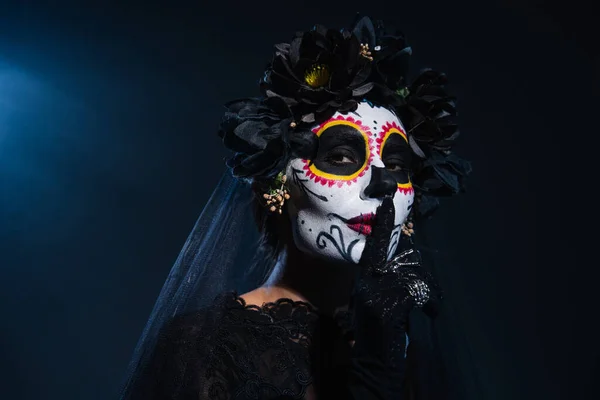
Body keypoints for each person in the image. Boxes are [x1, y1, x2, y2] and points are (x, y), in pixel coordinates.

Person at [119, 15, 471, 399]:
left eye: (399, 165)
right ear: (276, 186)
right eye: (340, 155)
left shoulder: (404, 348)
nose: (383, 182)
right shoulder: (205, 348)